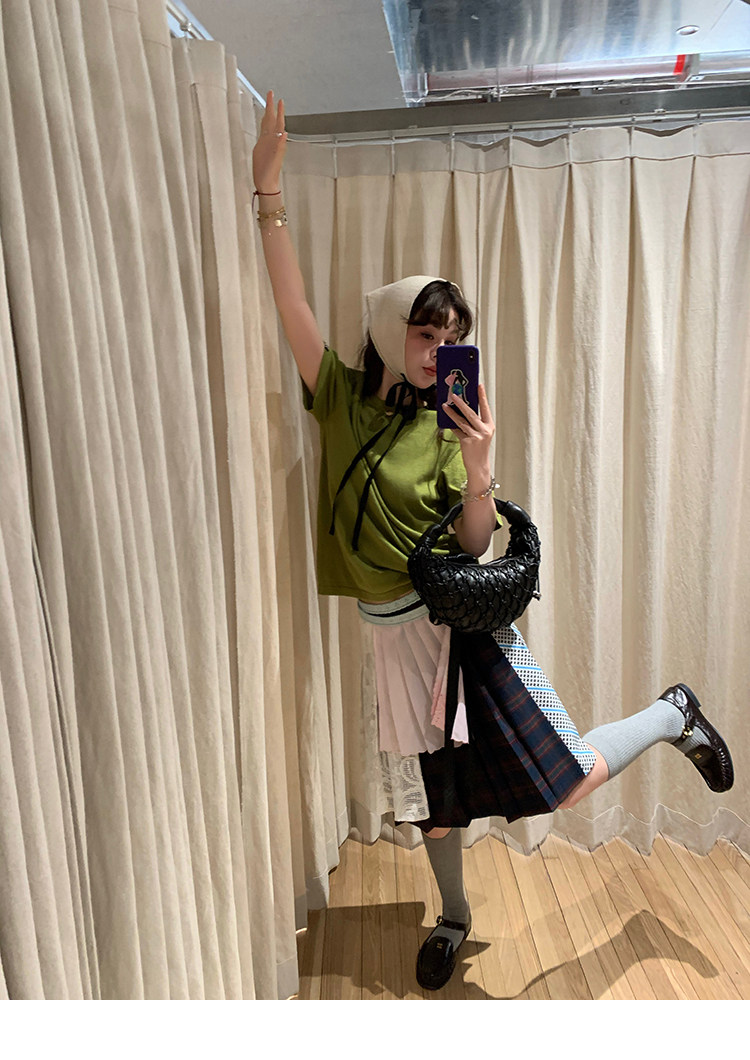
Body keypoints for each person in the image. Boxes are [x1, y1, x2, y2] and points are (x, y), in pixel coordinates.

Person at [253, 92, 734, 992]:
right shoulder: (340, 398)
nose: (438, 349)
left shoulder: (450, 426)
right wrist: (268, 197)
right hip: (390, 639)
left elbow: (476, 544)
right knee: (437, 809)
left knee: (564, 779)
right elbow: (292, 304)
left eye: (451, 337)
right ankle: (454, 917)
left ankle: (673, 713)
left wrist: (480, 468)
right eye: (425, 332)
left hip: (461, 636)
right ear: (391, 331)